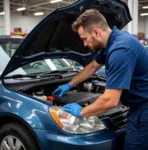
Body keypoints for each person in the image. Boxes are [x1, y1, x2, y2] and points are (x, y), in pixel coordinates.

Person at [52, 9, 148, 150]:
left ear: (96, 32)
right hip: (137, 106)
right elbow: (92, 67)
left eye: (85, 38)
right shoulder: (112, 41)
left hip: (144, 109)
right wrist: (69, 84)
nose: (84, 44)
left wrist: (81, 112)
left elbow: (110, 100)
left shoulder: (120, 50)